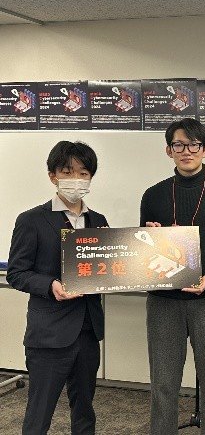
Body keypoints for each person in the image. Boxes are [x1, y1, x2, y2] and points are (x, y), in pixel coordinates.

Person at [140, 118, 205, 435]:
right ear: (169, 150)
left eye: (193, 145)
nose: (186, 151)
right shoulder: (153, 196)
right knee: (163, 385)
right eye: (179, 145)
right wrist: (150, 237)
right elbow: (144, 252)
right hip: (163, 303)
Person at [7, 141, 109, 434]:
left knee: (85, 410)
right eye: (68, 172)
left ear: (91, 178)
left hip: (88, 330)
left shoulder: (98, 221)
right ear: (53, 176)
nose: (76, 179)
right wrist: (50, 284)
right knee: (39, 413)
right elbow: (16, 273)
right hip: (49, 334)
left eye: (83, 173)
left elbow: (106, 269)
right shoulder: (32, 220)